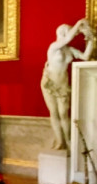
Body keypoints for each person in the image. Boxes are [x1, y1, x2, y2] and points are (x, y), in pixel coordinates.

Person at [40, 18, 93, 151]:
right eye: (70, 32)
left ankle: (68, 140)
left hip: (62, 84)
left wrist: (91, 39)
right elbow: (68, 39)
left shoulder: (69, 50)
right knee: (54, 112)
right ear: (62, 33)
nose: (72, 36)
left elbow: (85, 57)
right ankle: (59, 141)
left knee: (64, 113)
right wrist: (79, 23)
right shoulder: (54, 47)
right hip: (49, 83)